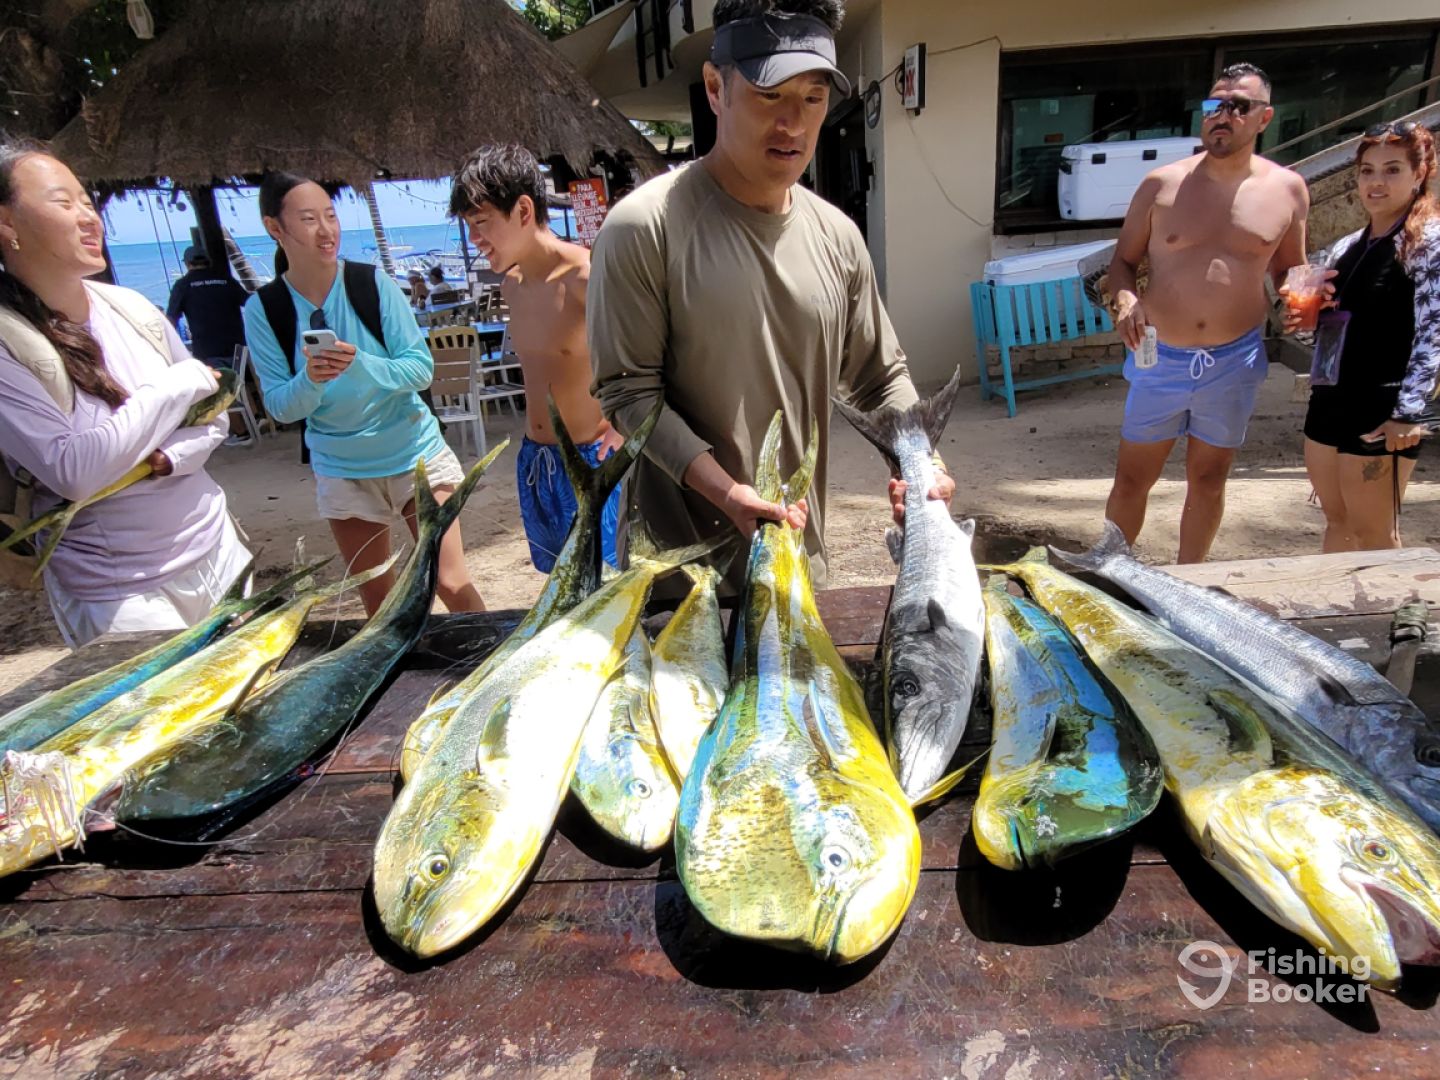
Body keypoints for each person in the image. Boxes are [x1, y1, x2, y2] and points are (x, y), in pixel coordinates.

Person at [589, 0, 953, 592]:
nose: (793, 123)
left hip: (798, 566)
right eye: (769, 95)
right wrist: (726, 493)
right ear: (715, 88)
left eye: (813, 98)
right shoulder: (644, 227)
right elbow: (628, 395)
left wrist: (921, 463)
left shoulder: (838, 236)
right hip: (679, 582)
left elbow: (881, 378)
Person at [0, 139, 250, 647]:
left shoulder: (131, 308)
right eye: (63, 203)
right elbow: (74, 469)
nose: (89, 218)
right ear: (7, 224)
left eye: (87, 202)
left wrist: (166, 459)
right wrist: (175, 385)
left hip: (219, 553)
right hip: (121, 597)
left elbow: (215, 417)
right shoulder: (10, 342)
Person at [242, 171, 485, 616]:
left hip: (415, 454)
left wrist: (361, 363)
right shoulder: (264, 309)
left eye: (331, 216)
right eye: (309, 219)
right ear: (275, 228)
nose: (326, 230)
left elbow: (420, 371)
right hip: (342, 468)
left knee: (451, 583)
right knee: (381, 604)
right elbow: (280, 405)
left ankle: (495, 656)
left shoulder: (372, 285)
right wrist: (311, 379)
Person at [1104, 62, 1310, 563]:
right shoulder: (1161, 185)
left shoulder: (1287, 190)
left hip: (1234, 358)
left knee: (1209, 478)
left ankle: (1189, 580)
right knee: (1132, 477)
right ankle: (1109, 574)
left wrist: (1299, 298)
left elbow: (1290, 270)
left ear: (1264, 117)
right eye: (1214, 105)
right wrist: (1126, 299)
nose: (1223, 116)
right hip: (1160, 355)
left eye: (1239, 106)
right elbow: (1122, 264)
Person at [450, 144, 623, 572]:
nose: (474, 239)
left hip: (591, 461)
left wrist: (624, 425)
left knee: (608, 583)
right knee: (558, 582)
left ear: (524, 210)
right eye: (469, 226)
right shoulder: (511, 285)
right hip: (536, 460)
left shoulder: (587, 276)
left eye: (481, 223)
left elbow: (649, 352)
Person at [1289, 121, 1440, 551]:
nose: (1376, 183)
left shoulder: (1428, 243)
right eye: (1367, 171)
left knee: (1373, 533)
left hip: (1382, 407)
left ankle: (1390, 598)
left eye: (1392, 170)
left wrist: (1408, 412)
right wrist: (1306, 321)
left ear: (1419, 173)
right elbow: (1327, 334)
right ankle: (1330, 598)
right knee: (1337, 522)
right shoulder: (1346, 246)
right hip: (1330, 399)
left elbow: (1434, 333)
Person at [165, 245, 249, 368]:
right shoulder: (226, 280)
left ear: (188, 263)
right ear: (208, 261)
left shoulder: (183, 285)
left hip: (206, 352)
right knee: (241, 379)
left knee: (221, 381)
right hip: (237, 350)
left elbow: (171, 319)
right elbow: (250, 303)